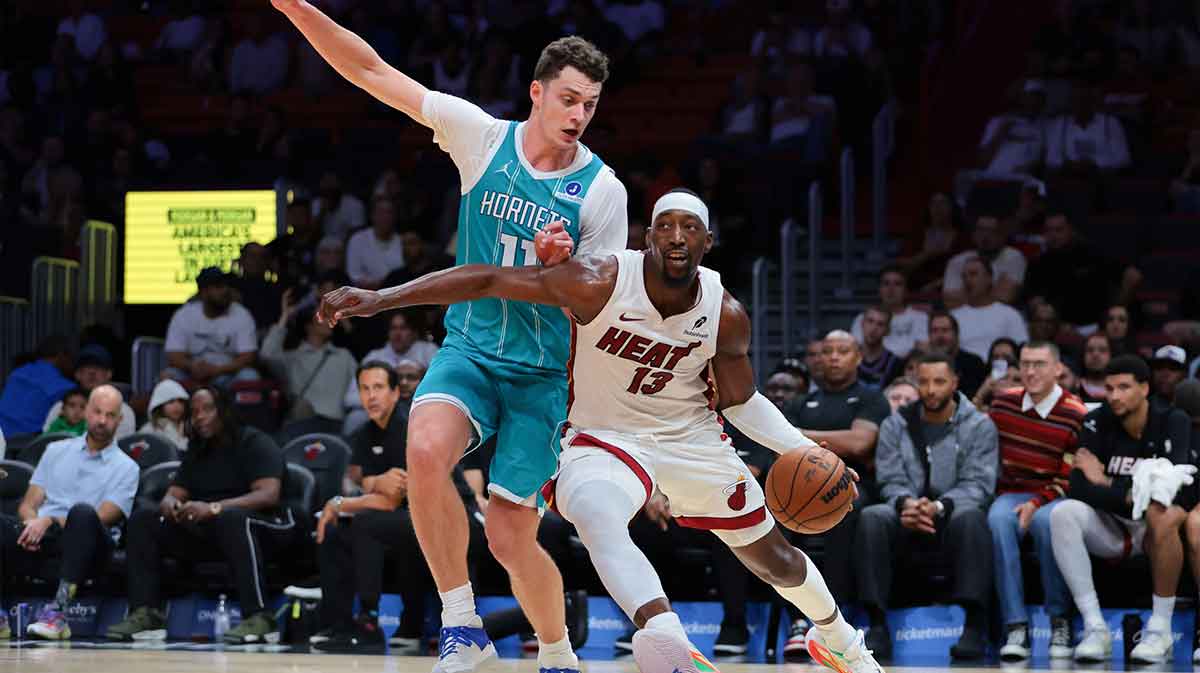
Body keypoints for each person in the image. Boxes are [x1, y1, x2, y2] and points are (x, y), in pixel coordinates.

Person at [318, 190, 884, 673]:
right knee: (594, 511)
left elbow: (741, 403)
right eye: (665, 226)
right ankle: (669, 639)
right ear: (648, 239)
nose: (677, 236)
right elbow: (488, 277)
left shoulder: (724, 312)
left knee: (774, 558)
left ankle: (838, 641)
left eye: (690, 228)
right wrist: (382, 298)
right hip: (600, 434)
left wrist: (807, 449)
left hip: (690, 437)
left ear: (708, 242)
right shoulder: (599, 281)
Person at [276, 2, 628, 671]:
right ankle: (462, 626)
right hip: (470, 348)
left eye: (590, 104)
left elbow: (601, 303)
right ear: (537, 92)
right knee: (427, 447)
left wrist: (564, 271)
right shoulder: (481, 137)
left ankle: (557, 651)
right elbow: (371, 69)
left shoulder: (601, 191)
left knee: (508, 536)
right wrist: (297, 9)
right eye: (568, 99)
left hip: (543, 373)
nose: (578, 115)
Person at [107, 386, 299, 644]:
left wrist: (214, 508)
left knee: (233, 519)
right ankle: (147, 614)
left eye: (207, 409)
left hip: (268, 525)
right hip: (215, 532)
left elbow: (268, 495)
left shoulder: (254, 442)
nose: (199, 417)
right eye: (194, 412)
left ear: (225, 412)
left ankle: (261, 617)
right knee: (144, 519)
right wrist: (170, 505)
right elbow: (173, 493)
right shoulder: (198, 451)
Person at [311, 362, 482, 653]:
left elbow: (388, 500)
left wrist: (339, 503)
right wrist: (373, 482)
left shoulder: (407, 427)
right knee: (333, 531)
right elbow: (368, 483)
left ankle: (369, 620)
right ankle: (338, 624)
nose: (371, 396)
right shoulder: (365, 434)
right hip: (413, 515)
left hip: (456, 518)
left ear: (394, 393)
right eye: (364, 389)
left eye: (378, 388)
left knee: (367, 524)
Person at [1050, 355, 1192, 663]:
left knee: (1161, 511)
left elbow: (1172, 486)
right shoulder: (1095, 420)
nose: (1114, 396)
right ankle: (1095, 628)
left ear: (1144, 388)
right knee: (1062, 513)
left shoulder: (1173, 420)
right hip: (1113, 526)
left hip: (1155, 528)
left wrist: (1105, 480)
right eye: (1109, 388)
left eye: (1124, 387)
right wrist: (1129, 493)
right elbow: (1078, 487)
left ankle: (1160, 630)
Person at [857, 352, 998, 660]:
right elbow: (889, 476)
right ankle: (877, 625)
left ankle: (974, 625)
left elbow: (980, 484)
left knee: (973, 517)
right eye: (924, 382)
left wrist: (938, 506)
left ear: (955, 383)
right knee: (872, 516)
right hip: (907, 512)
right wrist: (906, 503)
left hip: (951, 513)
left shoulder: (979, 425)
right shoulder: (896, 424)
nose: (931, 390)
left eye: (939, 382)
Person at [782, 330, 890, 659]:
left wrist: (801, 437)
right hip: (803, 487)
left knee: (848, 511)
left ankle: (837, 617)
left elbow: (860, 443)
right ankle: (798, 620)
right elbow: (781, 447)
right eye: (826, 350)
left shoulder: (872, 397)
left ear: (858, 357)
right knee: (780, 512)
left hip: (856, 485)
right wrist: (826, 443)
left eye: (842, 350)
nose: (833, 357)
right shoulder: (799, 403)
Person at [1, 386, 138, 640]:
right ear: (86, 411)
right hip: (44, 535)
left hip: (92, 543)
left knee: (82, 513)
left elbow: (103, 516)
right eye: (97, 412)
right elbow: (27, 504)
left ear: (120, 420)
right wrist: (32, 525)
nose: (102, 420)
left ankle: (58, 614)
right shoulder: (56, 451)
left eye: (110, 415)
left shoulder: (128, 467)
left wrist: (49, 520)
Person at [987, 342, 1088, 660]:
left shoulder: (1076, 413)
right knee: (998, 519)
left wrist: (1037, 503)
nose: (1031, 371)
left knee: (1049, 523)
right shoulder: (1003, 405)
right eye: (1026, 364)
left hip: (1056, 494)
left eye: (1039, 364)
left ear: (1058, 369)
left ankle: (1060, 621)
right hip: (1011, 492)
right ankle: (1015, 625)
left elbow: (1071, 476)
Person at [261, 290, 359, 440]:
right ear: (308, 326)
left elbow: (360, 385)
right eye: (322, 316)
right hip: (302, 423)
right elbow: (266, 355)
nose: (328, 320)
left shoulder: (343, 356)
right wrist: (285, 317)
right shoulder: (293, 358)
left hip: (335, 424)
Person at [163, 267, 260, 387]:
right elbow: (174, 355)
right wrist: (191, 366)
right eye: (218, 287)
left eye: (227, 286)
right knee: (168, 376)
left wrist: (217, 370)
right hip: (193, 373)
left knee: (249, 376)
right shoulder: (184, 314)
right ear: (203, 292)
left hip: (228, 374)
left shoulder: (241, 314)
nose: (225, 291)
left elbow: (248, 357)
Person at [40, 345, 137, 440]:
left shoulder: (123, 411)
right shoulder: (60, 407)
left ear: (108, 374)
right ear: (77, 374)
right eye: (86, 366)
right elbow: (45, 445)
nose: (92, 371)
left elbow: (121, 450)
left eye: (98, 366)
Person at [949, 257, 1029, 361]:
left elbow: (1022, 349)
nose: (967, 280)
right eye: (964, 276)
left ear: (989, 278)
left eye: (973, 274)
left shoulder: (1010, 315)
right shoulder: (953, 316)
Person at [0, 335, 75, 437]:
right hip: (28, 444)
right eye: (71, 358)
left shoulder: (18, 373)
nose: (72, 365)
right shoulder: (63, 387)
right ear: (61, 356)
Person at [850, 265, 928, 358]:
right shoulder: (863, 318)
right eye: (886, 283)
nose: (891, 289)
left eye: (897, 284)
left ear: (906, 290)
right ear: (879, 289)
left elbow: (922, 350)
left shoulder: (920, 318)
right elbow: (858, 350)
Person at [928, 311, 988, 399]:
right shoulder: (923, 363)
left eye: (945, 330)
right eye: (935, 331)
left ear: (956, 334)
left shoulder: (974, 363)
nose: (939, 336)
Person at [856, 306, 902, 388]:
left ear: (887, 330)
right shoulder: (848, 358)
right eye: (870, 321)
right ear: (862, 324)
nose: (873, 328)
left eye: (880, 324)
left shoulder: (895, 363)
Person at [139, 379, 190, 451]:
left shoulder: (190, 427)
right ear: (160, 405)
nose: (177, 406)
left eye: (180, 401)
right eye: (171, 401)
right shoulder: (149, 429)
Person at [1080, 333, 1111, 404]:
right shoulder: (1073, 388)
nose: (1095, 354)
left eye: (1102, 350)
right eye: (1090, 350)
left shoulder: (1120, 391)